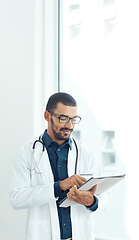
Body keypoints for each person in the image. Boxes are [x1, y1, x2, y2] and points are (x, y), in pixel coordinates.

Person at [9, 92, 105, 240]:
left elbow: (104, 196)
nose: (69, 125)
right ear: (47, 116)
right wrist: (59, 186)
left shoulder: (86, 153)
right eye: (63, 118)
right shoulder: (27, 153)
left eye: (73, 119)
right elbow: (17, 199)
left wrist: (91, 202)